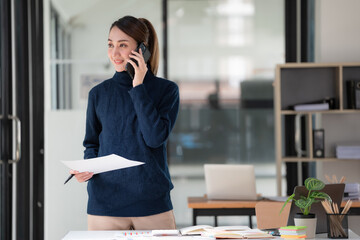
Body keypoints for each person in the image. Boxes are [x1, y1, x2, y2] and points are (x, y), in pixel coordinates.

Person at [70, 15, 179, 231]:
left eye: (122, 45)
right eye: (110, 45)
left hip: (152, 204)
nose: (114, 53)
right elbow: (91, 144)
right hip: (105, 205)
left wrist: (138, 87)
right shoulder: (98, 94)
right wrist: (87, 168)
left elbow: (155, 138)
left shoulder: (166, 91)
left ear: (142, 50)